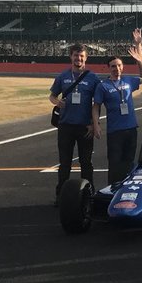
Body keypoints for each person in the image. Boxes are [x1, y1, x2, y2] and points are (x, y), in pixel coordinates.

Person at [48, 44, 99, 201]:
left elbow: (97, 103)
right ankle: (61, 195)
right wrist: (56, 102)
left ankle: (89, 194)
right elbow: (52, 96)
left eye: (82, 56)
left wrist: (94, 124)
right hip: (66, 126)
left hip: (85, 126)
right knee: (64, 164)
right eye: (76, 55)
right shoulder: (63, 76)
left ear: (86, 58)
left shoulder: (93, 78)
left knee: (86, 163)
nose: (79, 59)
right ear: (71, 57)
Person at [91, 55, 142, 186]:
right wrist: (96, 125)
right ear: (108, 68)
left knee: (129, 161)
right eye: (113, 66)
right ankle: (113, 190)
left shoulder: (128, 81)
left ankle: (128, 188)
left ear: (123, 67)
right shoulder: (103, 86)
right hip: (115, 131)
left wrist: (139, 60)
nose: (116, 68)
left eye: (119, 65)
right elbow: (96, 107)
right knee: (115, 163)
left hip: (131, 128)